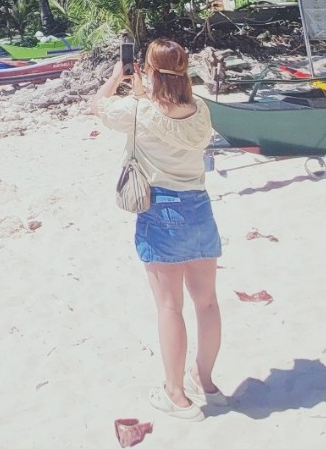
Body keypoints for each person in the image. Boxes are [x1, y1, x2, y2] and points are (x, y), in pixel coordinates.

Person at [92, 39, 226, 421]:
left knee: (170, 306)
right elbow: (168, 116)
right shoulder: (200, 110)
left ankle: (176, 394)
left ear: (149, 70)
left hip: (161, 210)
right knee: (207, 302)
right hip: (199, 208)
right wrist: (144, 90)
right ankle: (205, 381)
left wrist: (117, 76)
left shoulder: (139, 111)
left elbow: (99, 106)